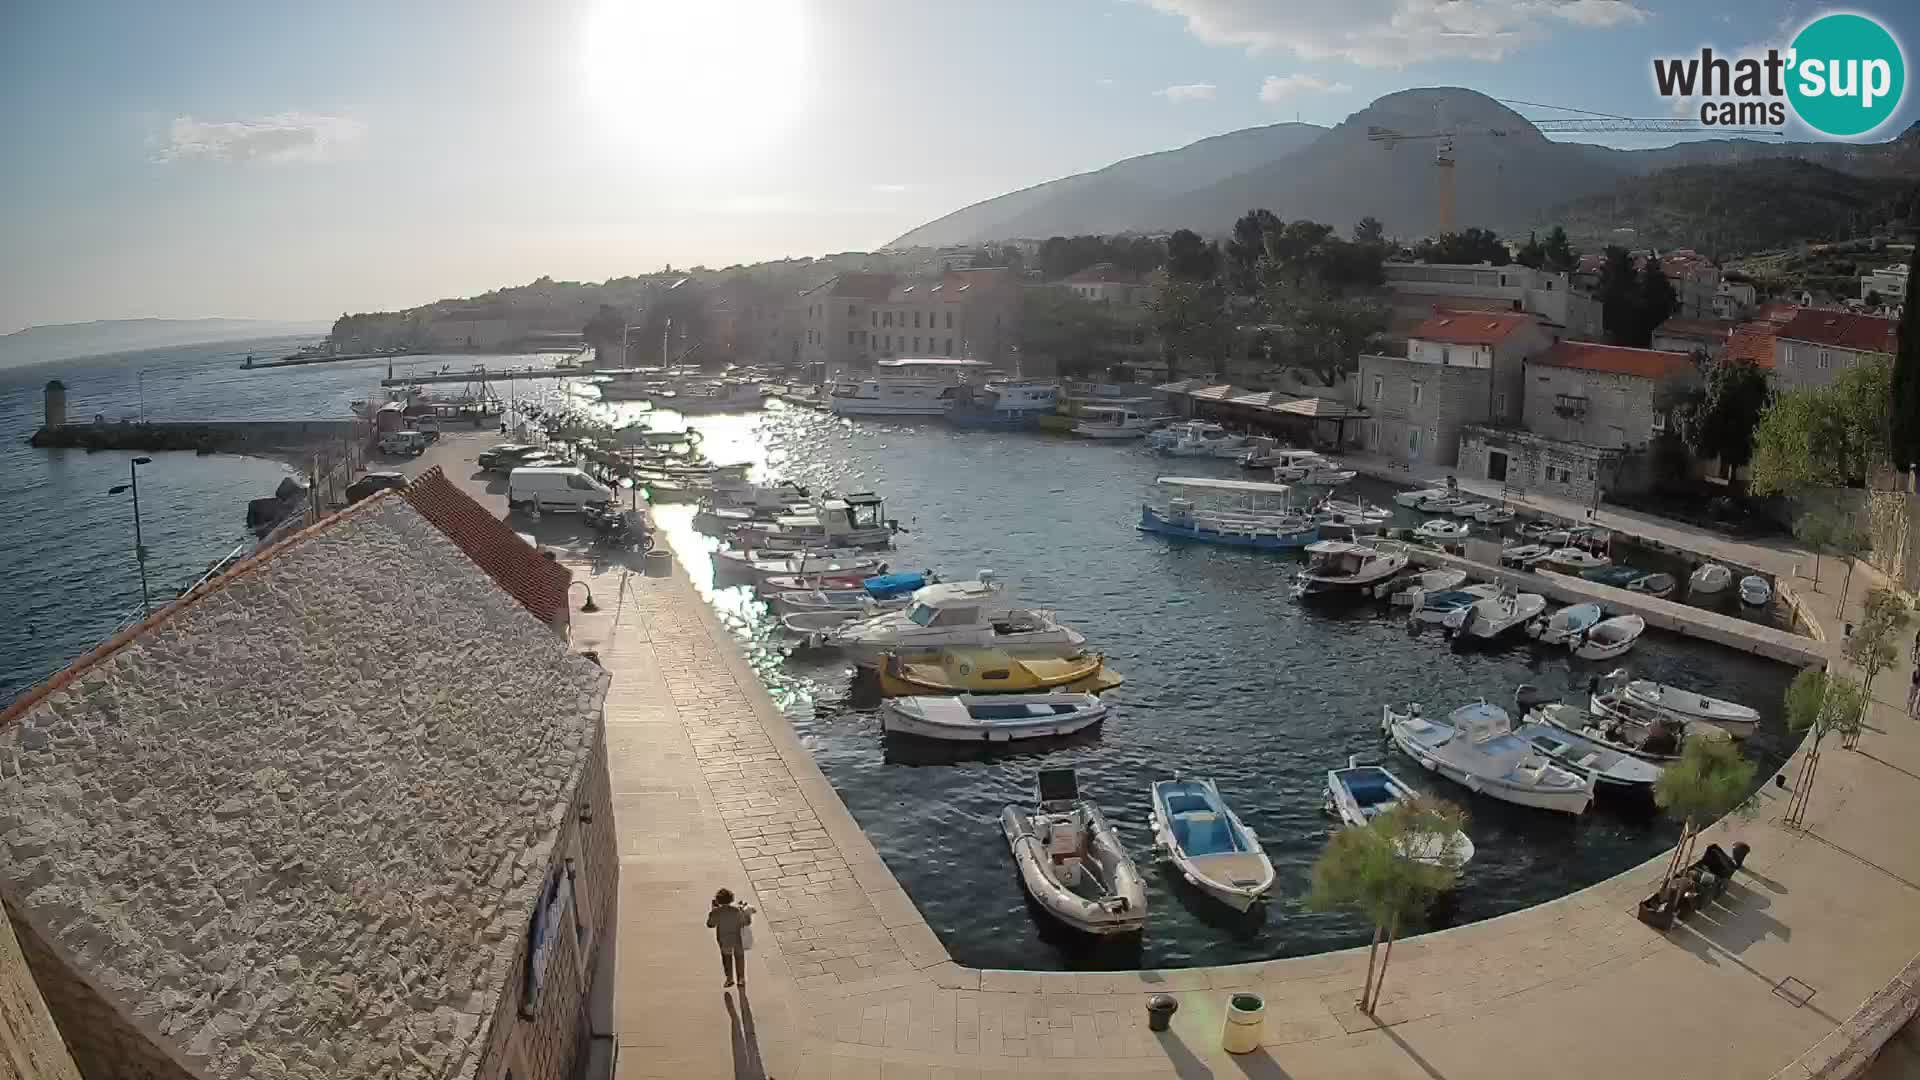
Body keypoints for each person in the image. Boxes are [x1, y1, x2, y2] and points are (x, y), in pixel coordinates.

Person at [707, 887, 754, 988]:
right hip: (737, 938)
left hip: (724, 939)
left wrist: (713, 910)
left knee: (727, 958)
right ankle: (741, 979)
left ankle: (729, 978)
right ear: (731, 899)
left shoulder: (716, 912)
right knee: (739, 957)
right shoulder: (736, 911)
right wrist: (746, 913)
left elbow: (710, 924)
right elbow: (746, 922)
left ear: (718, 900)